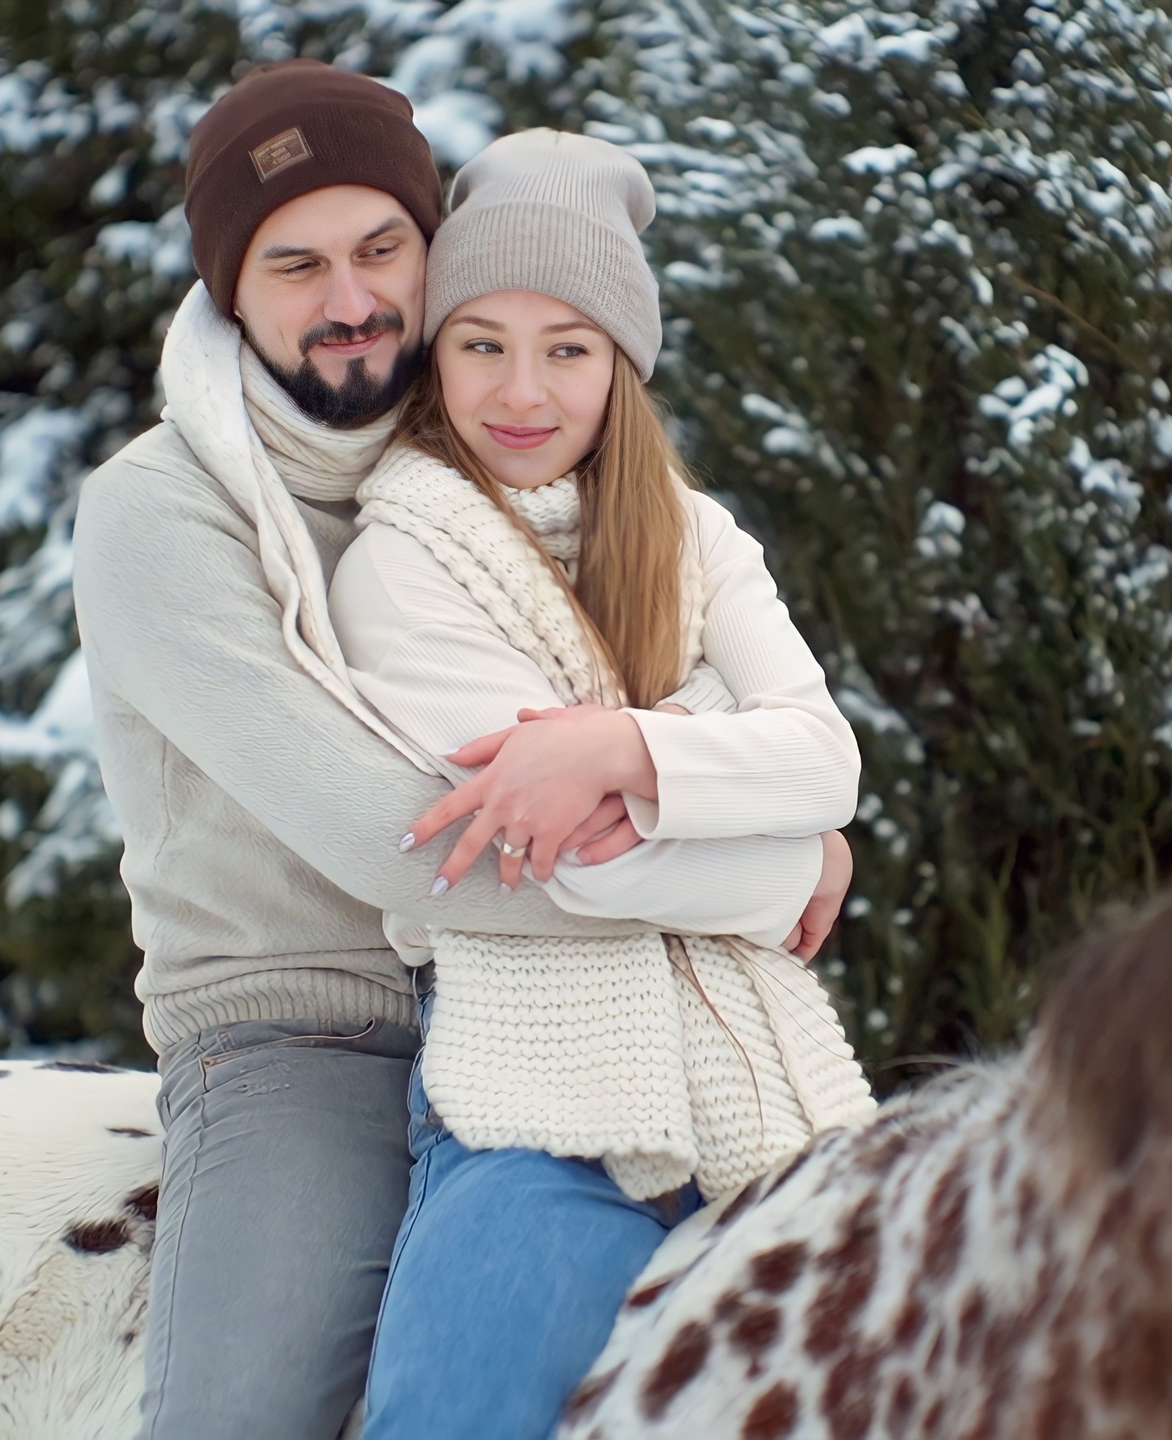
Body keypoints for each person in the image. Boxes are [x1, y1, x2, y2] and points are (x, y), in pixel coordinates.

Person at [69, 66, 843, 1440]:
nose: (350, 298)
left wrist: (676, 770)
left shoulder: (541, 472)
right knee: (244, 1418)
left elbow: (772, 717)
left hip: (589, 991)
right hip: (307, 1022)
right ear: (229, 292)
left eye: (381, 250)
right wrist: (780, 871)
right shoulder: (161, 515)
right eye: (294, 265)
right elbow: (407, 840)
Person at [330, 129, 880, 1440]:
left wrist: (619, 750)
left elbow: (826, 755)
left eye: (567, 348)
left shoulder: (693, 535)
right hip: (540, 1096)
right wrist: (798, 860)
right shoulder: (401, 566)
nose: (522, 390)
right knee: (457, 1416)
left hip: (758, 1091)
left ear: (619, 366)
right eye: (481, 343)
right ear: (435, 355)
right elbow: (567, 863)